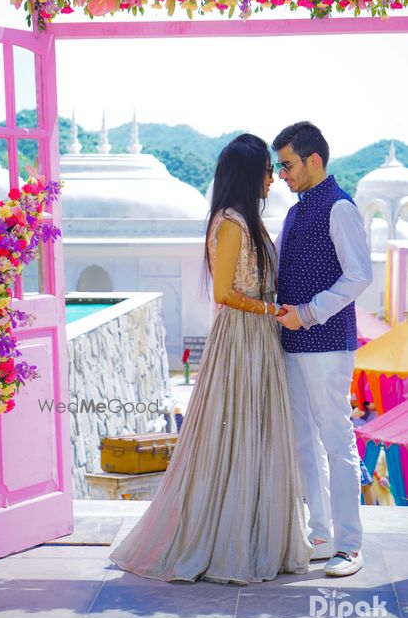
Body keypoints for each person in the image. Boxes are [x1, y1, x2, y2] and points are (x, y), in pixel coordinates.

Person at [110, 134, 312, 584]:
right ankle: (230, 539)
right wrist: (271, 311)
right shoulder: (233, 222)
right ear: (247, 173)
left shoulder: (245, 219)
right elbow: (224, 293)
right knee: (236, 433)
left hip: (258, 336)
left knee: (257, 433)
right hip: (243, 336)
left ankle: (257, 535)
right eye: (265, 168)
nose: (270, 177)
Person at [272, 121, 372, 578]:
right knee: (303, 442)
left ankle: (350, 545)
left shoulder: (339, 208)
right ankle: (320, 534)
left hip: (327, 342)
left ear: (314, 160)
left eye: (288, 164)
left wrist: (309, 313)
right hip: (291, 342)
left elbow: (359, 277)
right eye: (279, 166)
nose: (282, 174)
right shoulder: (295, 212)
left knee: (336, 439)